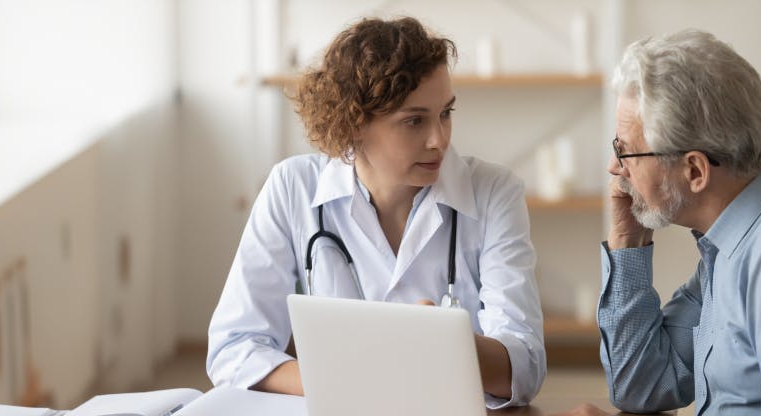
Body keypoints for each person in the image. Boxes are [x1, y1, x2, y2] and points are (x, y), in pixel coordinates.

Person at [205, 17, 545, 408]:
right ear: (352, 124)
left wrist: (448, 344)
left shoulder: (493, 192)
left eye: (446, 113)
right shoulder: (291, 188)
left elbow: (526, 364)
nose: (440, 140)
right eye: (414, 121)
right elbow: (234, 349)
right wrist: (354, 381)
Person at [578, 30, 761, 415]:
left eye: (625, 150)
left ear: (695, 170)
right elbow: (643, 385)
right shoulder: (729, 243)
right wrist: (627, 241)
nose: (615, 168)